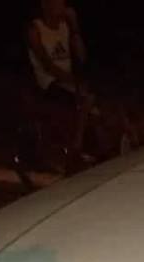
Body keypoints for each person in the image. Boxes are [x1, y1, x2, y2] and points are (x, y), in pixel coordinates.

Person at [27, 0, 93, 161]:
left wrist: (75, 27)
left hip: (67, 81)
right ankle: (76, 147)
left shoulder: (65, 27)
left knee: (93, 99)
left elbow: (82, 57)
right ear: (45, 5)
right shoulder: (35, 29)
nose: (61, 7)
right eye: (56, 3)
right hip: (47, 82)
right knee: (86, 98)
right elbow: (47, 65)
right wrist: (72, 81)